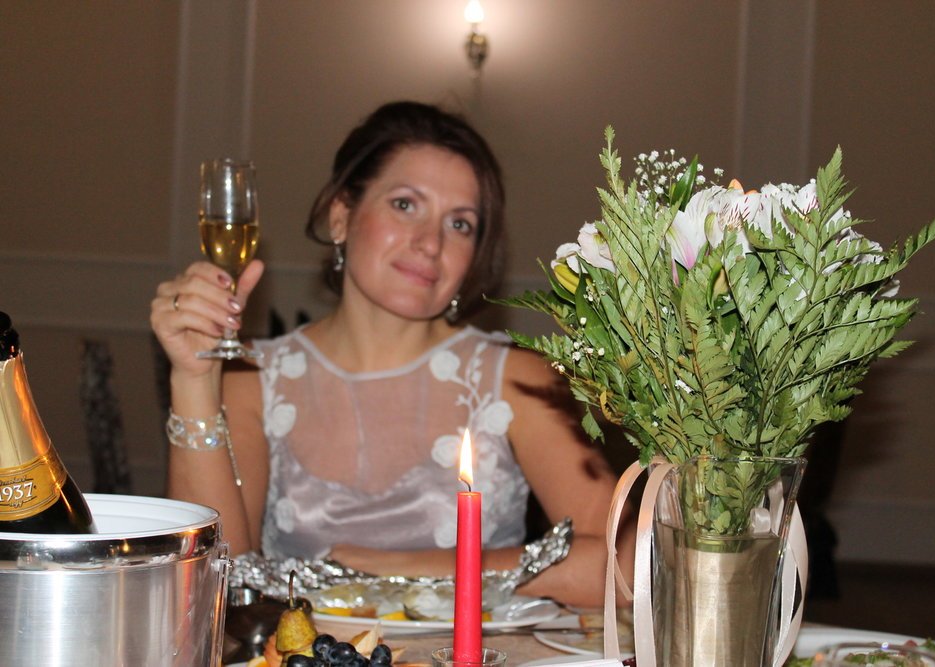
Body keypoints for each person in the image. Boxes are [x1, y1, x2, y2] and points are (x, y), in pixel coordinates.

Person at [151, 101, 632, 607]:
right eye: (405, 205)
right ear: (341, 216)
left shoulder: (517, 379)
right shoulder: (252, 377)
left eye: (460, 224)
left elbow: (624, 562)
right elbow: (210, 590)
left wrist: (394, 570)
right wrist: (193, 381)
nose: (430, 243)